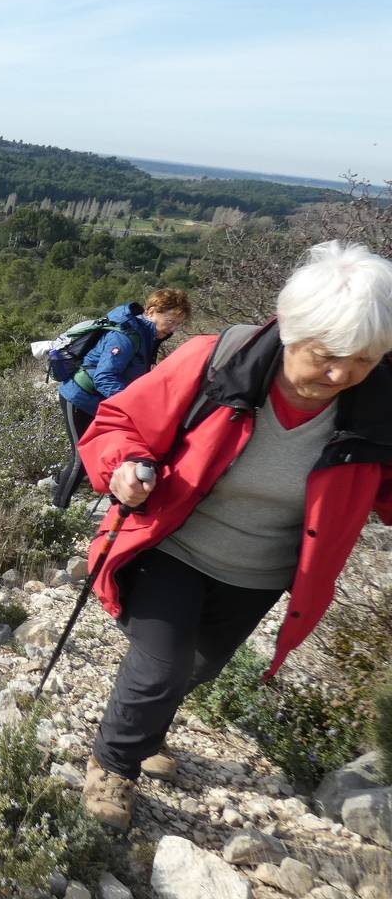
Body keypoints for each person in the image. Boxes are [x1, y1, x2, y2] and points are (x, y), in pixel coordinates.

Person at [75, 242, 392, 831]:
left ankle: (147, 730)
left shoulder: (380, 406)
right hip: (171, 541)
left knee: (199, 666)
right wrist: (124, 465)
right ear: (291, 331)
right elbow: (118, 421)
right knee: (161, 664)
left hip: (260, 571)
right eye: (325, 356)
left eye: (364, 361)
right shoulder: (218, 359)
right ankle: (113, 764)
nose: (341, 375)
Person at [51, 289, 191, 509]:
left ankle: (57, 481)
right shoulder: (126, 336)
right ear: (152, 311)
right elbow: (104, 377)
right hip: (78, 396)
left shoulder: (148, 336)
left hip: (100, 402)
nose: (172, 328)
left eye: (177, 324)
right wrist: (133, 406)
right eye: (170, 321)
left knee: (106, 453)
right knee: (84, 458)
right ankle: (56, 512)